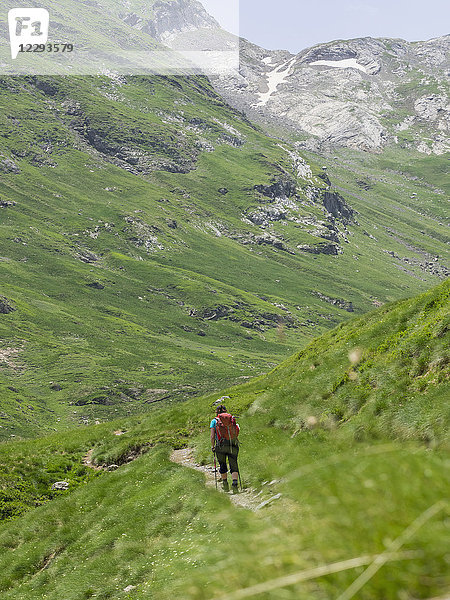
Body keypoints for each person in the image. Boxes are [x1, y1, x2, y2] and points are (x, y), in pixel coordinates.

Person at [210, 404, 240, 493]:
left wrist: (213, 446)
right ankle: (235, 484)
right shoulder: (231, 419)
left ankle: (225, 485)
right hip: (233, 444)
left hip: (220, 445)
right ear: (226, 411)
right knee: (233, 463)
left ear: (217, 412)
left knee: (222, 464)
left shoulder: (214, 421)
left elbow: (212, 436)